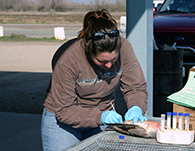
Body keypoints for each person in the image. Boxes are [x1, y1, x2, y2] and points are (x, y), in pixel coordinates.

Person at [41, 9, 148, 151]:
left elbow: (135, 87)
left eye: (113, 60)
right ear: (88, 49)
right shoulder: (68, 58)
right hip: (64, 122)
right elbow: (65, 110)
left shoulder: (125, 48)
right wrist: (100, 117)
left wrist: (136, 107)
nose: (109, 66)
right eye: (102, 61)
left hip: (101, 113)